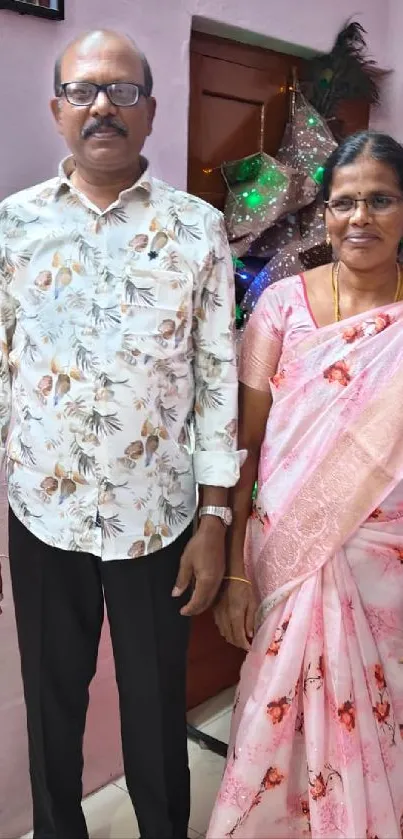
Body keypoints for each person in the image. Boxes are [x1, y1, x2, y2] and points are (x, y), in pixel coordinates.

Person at [0, 30, 242, 839]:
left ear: (150, 110)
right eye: (82, 91)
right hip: (42, 511)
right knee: (51, 702)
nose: (102, 106)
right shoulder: (13, 227)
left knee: (151, 708)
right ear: (56, 109)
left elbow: (215, 381)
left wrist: (214, 519)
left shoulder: (196, 228)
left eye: (122, 91)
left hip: (159, 521)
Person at [209, 130, 403, 839]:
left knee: (376, 727)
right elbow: (246, 445)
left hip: (386, 567)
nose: (359, 217)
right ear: (322, 213)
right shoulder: (280, 308)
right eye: (343, 201)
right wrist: (233, 571)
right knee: (275, 717)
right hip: (285, 552)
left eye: (379, 199)